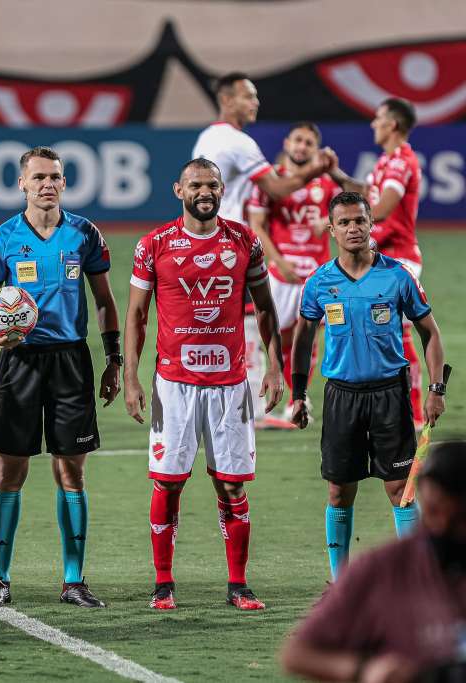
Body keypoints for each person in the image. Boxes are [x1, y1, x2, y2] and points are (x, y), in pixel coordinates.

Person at [124, 158, 284, 611]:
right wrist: (131, 377)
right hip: (173, 385)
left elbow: (266, 308)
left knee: (232, 486)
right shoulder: (153, 244)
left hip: (231, 385)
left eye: (212, 184)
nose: (204, 191)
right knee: (168, 483)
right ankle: (163, 583)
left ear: (221, 189)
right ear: (179, 189)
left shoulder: (245, 241)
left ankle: (238, 584)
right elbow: (137, 315)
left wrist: (273, 365)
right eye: (195, 184)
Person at [0, 146, 121, 609]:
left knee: (71, 471)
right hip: (19, 363)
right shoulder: (2, 238)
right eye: (37, 177)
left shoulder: (84, 234)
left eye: (55, 177)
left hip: (70, 362)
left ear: (64, 182)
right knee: (10, 470)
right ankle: (0, 580)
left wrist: (113, 358)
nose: (46, 184)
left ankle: (74, 580)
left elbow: (103, 300)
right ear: (21, 183)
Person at [289, 191, 445, 580]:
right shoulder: (320, 283)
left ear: (371, 224)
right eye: (344, 222)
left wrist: (436, 390)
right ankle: (340, 583)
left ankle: (415, 578)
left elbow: (431, 333)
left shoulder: (396, 276)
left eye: (360, 220)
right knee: (339, 492)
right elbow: (303, 338)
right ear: (331, 230)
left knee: (401, 491)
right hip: (342, 396)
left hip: (390, 395)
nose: (353, 228)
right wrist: (297, 394)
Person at [192, 73, 331, 427]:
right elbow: (278, 187)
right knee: (249, 323)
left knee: (221, 324)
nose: (256, 102)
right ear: (227, 100)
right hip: (228, 245)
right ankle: (251, 409)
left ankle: (219, 402)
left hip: (206, 241)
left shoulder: (208, 137)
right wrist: (316, 168)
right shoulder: (237, 141)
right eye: (248, 96)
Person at [280, 441, 466, 683]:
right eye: (432, 511)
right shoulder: (381, 568)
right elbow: (298, 654)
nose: (439, 523)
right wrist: (365, 671)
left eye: (456, 517)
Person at [325, 98, 426, 429]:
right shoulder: (386, 162)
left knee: (398, 333)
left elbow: (380, 209)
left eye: (378, 118)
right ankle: (386, 406)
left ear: (392, 124)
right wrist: (335, 173)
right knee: (377, 331)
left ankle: (413, 413)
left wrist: (350, 224)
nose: (373, 123)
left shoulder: (402, 162)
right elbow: (364, 192)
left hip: (398, 258)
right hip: (381, 257)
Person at [247, 122, 342, 424]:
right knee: (275, 338)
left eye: (309, 143)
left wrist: (328, 222)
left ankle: (296, 399)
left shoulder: (327, 183)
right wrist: (278, 261)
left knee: (309, 339)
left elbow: (353, 214)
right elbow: (257, 225)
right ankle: (262, 398)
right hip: (280, 274)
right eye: (298, 140)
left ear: (316, 149)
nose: (302, 147)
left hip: (316, 276)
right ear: (287, 143)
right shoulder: (271, 180)